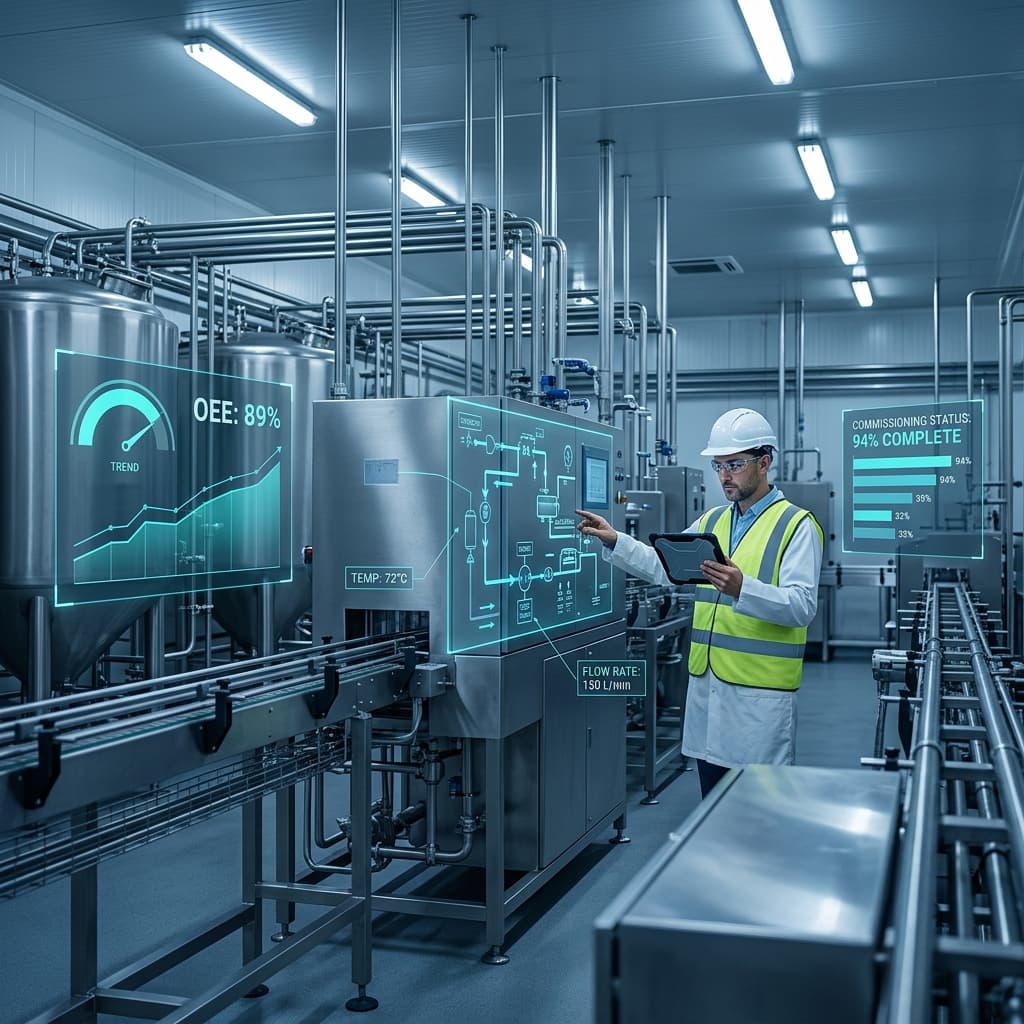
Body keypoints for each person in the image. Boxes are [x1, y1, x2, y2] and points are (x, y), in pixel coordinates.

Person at [576, 408, 823, 798]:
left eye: (735, 464)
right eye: (719, 465)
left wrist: (744, 588)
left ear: (765, 462)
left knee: (757, 813)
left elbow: (801, 606)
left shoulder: (796, 525)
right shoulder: (713, 522)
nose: (725, 475)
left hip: (759, 700)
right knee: (712, 810)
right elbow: (664, 566)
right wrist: (615, 540)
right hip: (709, 694)